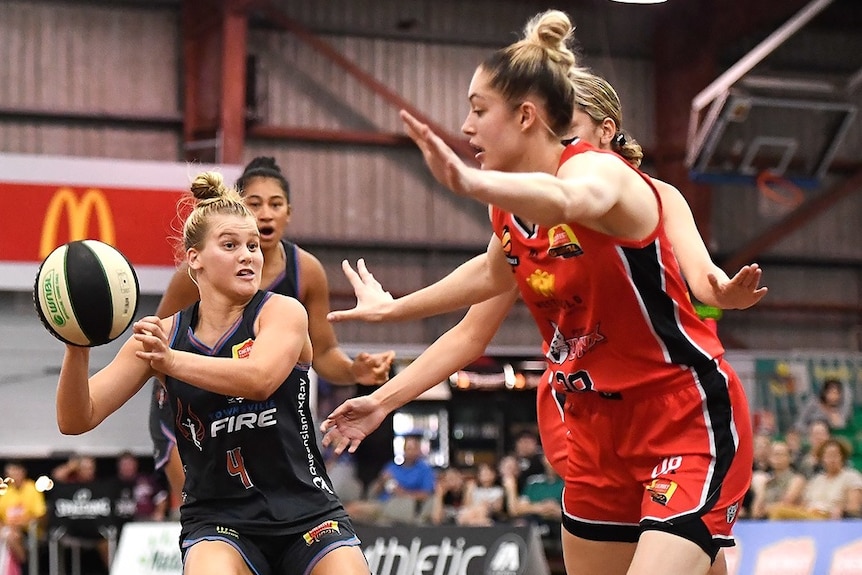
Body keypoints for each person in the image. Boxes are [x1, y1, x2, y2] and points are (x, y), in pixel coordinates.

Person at [321, 10, 755, 575]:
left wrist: (466, 180)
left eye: (479, 111)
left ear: (528, 117)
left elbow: (576, 203)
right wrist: (392, 328)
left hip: (680, 417)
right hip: (594, 429)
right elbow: (485, 281)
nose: (467, 126)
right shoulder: (511, 210)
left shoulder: (604, 176)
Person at [55, 171, 370, 575]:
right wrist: (75, 345)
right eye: (231, 245)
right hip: (220, 521)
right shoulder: (163, 336)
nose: (248, 255)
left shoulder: (281, 312)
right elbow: (75, 418)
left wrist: (169, 362)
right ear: (195, 259)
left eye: (253, 245)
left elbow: (259, 380)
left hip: (307, 514)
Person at [149, 156, 396, 513]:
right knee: (201, 512)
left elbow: (324, 353)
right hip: (191, 409)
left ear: (288, 213)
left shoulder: (305, 272)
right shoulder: (195, 272)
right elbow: (157, 351)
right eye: (254, 204)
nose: (265, 213)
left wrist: (354, 372)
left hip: (263, 407)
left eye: (275, 204)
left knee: (269, 514)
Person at [345, 435, 435, 525]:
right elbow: (373, 493)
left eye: (413, 449)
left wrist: (402, 493)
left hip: (403, 507)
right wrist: (381, 481)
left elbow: (426, 495)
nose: (410, 452)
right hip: (382, 504)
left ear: (418, 451)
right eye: (408, 448)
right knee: (349, 509)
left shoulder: (425, 469)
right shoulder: (392, 467)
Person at [768, 438, 862, 519]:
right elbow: (804, 503)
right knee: (779, 510)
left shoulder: (851, 476)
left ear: (842, 457)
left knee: (778, 511)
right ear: (822, 459)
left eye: (835, 455)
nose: (831, 459)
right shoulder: (817, 480)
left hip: (829, 517)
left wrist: (842, 510)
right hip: (810, 514)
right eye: (828, 456)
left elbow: (854, 508)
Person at [0, 461, 47, 569]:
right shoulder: (5, 491)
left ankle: (25, 566)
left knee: (11, 536)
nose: (14, 477)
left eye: (16, 473)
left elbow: (41, 515)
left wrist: (20, 524)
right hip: (9, 529)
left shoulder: (32, 488)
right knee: (7, 534)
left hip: (29, 531)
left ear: (23, 472)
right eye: (10, 474)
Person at [749, 440, 806, 519]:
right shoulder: (766, 480)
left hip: (789, 522)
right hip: (766, 522)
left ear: (789, 457)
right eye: (774, 454)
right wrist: (760, 490)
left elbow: (785, 504)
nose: (777, 458)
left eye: (780, 454)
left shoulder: (797, 480)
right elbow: (755, 512)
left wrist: (764, 508)